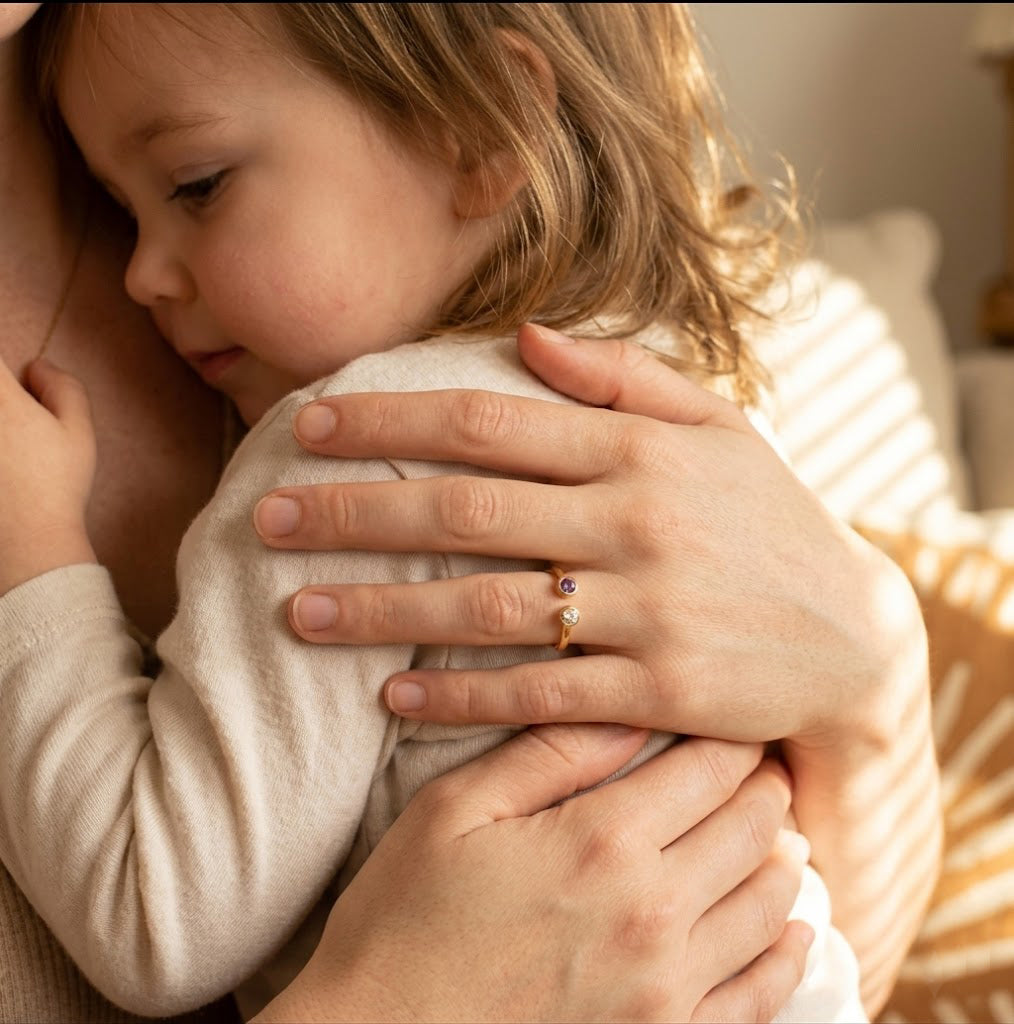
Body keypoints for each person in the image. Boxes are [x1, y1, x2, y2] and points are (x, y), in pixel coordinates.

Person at [0, 2, 938, 1021]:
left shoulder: (343, 457)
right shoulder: (675, 396)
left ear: (486, 128)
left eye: (197, 186)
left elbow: (153, 919)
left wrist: (28, 553)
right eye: (124, 210)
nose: (144, 273)